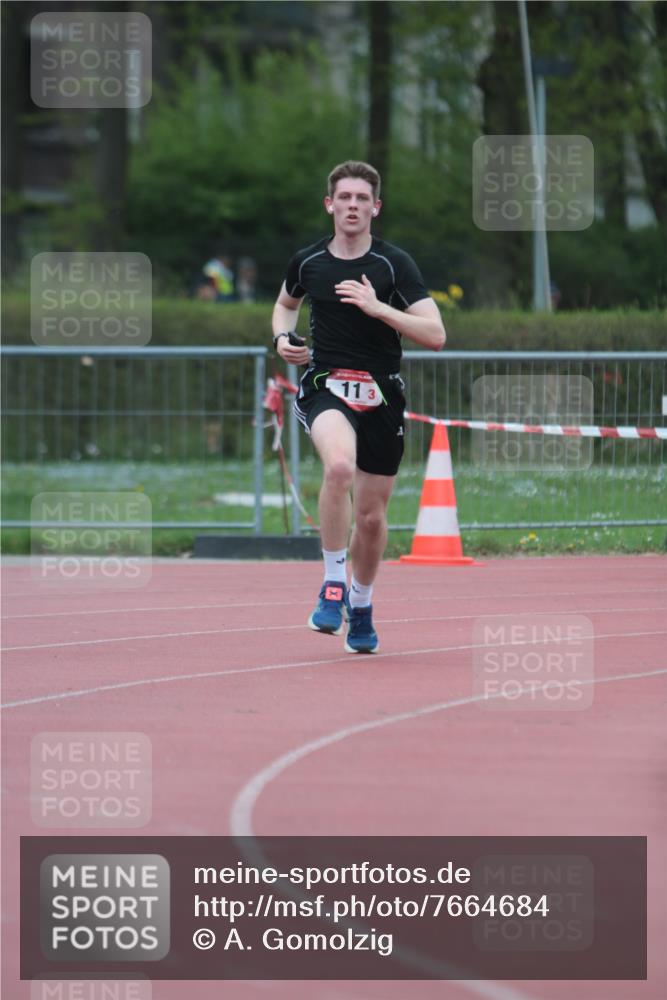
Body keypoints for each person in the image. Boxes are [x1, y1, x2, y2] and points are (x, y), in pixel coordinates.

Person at [271, 160, 446, 653]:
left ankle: (362, 605)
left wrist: (378, 308)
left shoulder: (393, 265)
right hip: (326, 384)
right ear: (330, 205)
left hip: (383, 394)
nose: (352, 206)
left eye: (361, 199)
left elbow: (436, 335)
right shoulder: (308, 263)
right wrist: (284, 337)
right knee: (340, 467)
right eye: (344, 198)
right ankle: (331, 585)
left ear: (375, 208)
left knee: (370, 519)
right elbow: (285, 303)